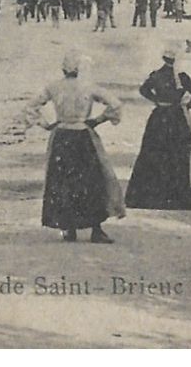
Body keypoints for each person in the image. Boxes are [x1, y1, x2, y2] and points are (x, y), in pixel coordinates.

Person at [24, 51, 124, 243]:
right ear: (78, 69)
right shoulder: (88, 87)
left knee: (64, 182)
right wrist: (98, 119)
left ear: (63, 69)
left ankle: (69, 228)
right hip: (83, 136)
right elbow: (115, 104)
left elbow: (31, 106)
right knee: (92, 181)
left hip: (62, 137)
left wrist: (45, 124)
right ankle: (96, 229)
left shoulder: (53, 87)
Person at [125, 48, 191, 210]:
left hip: (159, 116)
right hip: (176, 117)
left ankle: (151, 195)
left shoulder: (156, 75)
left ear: (164, 59)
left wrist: (156, 100)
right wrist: (189, 105)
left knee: (154, 152)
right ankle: (176, 195)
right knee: (177, 153)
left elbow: (143, 90)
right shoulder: (181, 77)